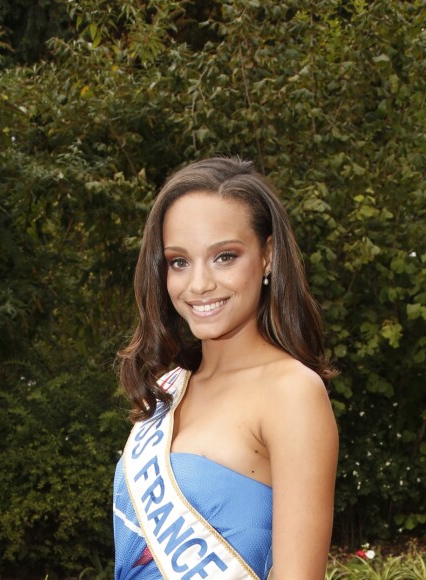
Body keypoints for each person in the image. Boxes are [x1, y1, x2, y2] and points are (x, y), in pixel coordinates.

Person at [113, 157, 338, 579]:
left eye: (224, 257)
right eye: (179, 261)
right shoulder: (168, 387)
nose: (198, 284)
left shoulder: (292, 392)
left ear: (267, 256)